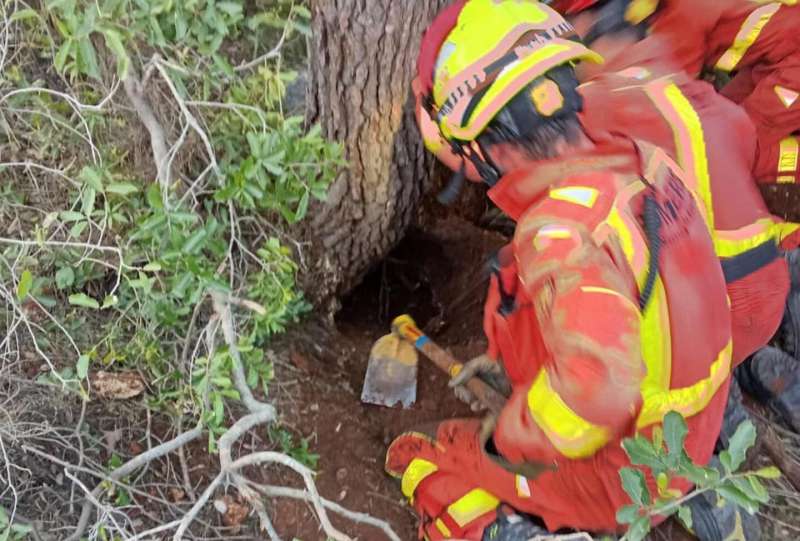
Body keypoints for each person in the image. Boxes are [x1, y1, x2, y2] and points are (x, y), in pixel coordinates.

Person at [387, 2, 737, 539]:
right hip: (687, 432)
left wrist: (509, 437)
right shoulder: (645, 166)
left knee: (435, 460)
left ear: (478, 143)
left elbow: (599, 391)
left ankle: (517, 528)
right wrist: (510, 374)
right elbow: (635, 308)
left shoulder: (561, 233)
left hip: (625, 472)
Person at [414, 0, 800, 431]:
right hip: (759, 276)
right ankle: (733, 374)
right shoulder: (659, 69)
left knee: (543, 290)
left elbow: (514, 173)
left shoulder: (588, 117)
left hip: (707, 304)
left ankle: (699, 423)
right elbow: (741, 137)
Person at [547, 0, 800, 185]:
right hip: (775, 58)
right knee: (726, 119)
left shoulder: (681, 15)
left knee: (733, 148)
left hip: (792, 67)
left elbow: (670, 93)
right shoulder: (662, 11)